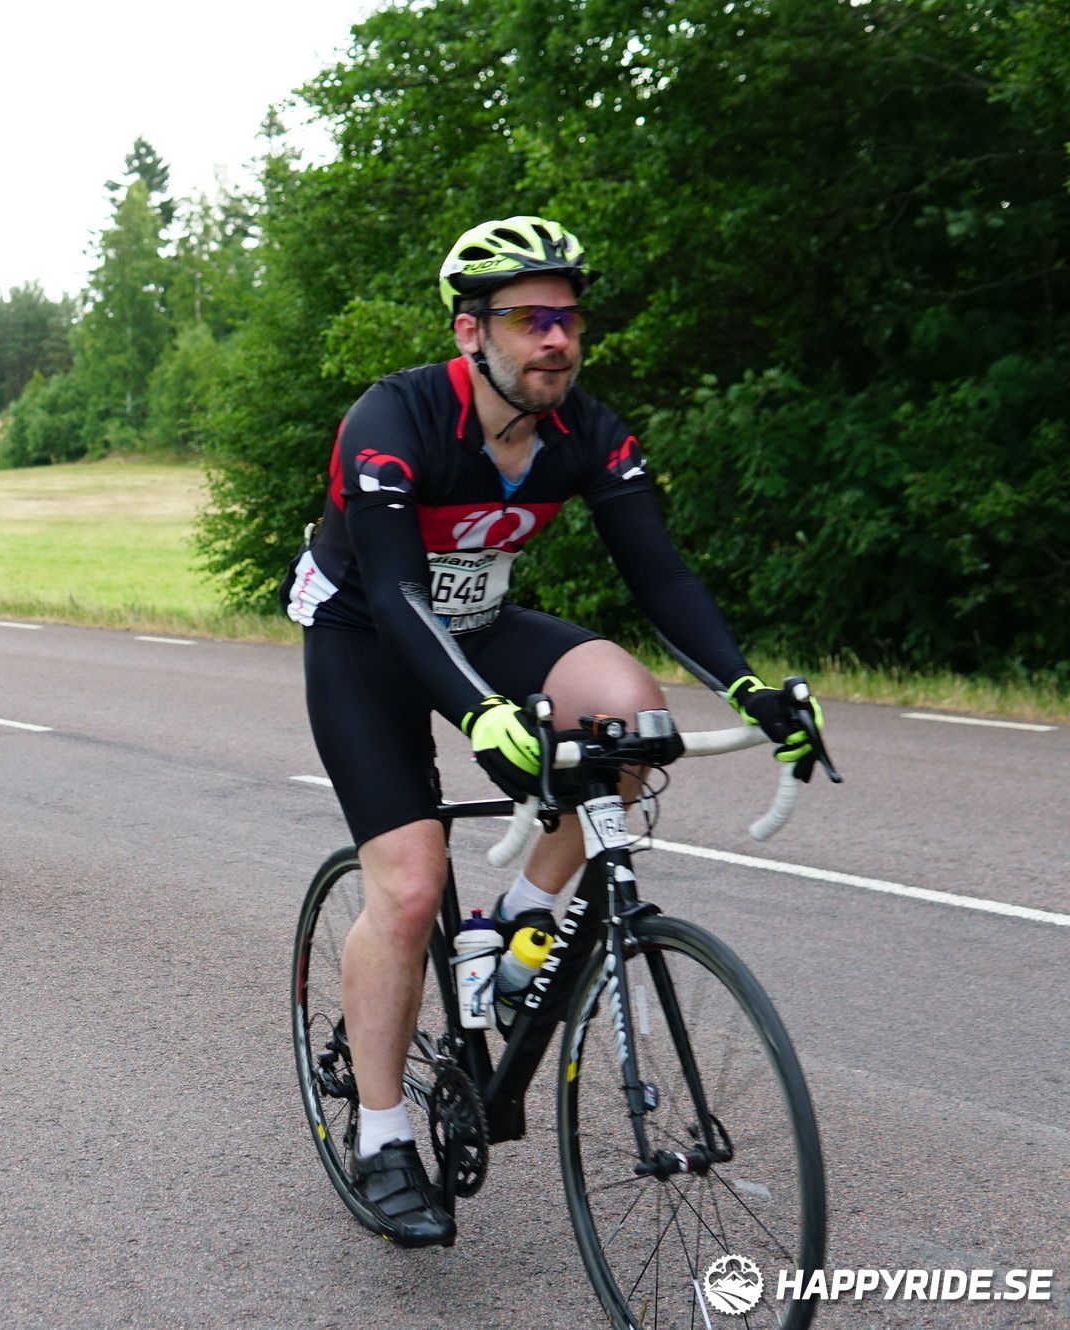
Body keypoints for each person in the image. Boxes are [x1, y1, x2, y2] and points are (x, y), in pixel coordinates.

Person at [283, 216, 821, 1246]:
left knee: (632, 717)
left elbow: (659, 578)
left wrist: (751, 689)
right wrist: (481, 712)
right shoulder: (392, 419)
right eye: (531, 319)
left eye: (568, 319)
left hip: (482, 621)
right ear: (470, 329)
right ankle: (383, 1135)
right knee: (408, 887)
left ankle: (521, 920)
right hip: (364, 636)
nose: (557, 339)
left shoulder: (587, 431)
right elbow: (395, 593)